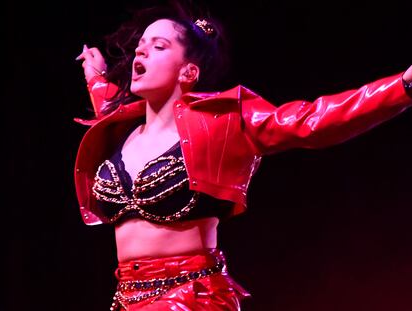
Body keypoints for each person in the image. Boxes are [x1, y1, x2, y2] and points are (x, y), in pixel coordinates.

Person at [74, 2, 412, 310]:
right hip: (126, 296)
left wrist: (403, 86)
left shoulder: (224, 121)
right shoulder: (122, 129)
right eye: (140, 46)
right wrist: (94, 73)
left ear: (188, 72)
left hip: (190, 297)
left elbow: (312, 122)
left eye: (158, 47)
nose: (140, 53)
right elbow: (107, 103)